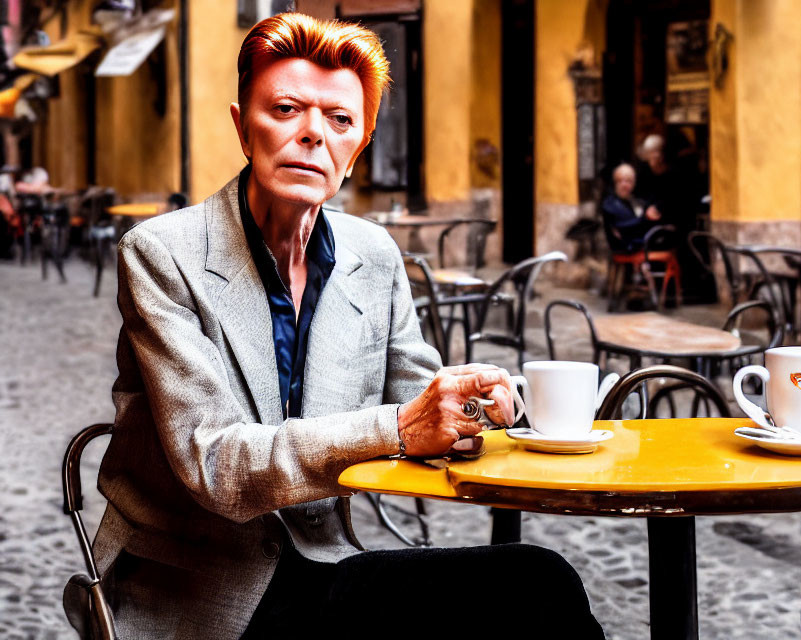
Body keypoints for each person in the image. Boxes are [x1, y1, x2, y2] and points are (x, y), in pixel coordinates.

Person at [74, 14, 603, 639]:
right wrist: (405, 427)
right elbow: (217, 466)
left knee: (538, 583)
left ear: (360, 146)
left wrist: (476, 407)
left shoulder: (372, 255)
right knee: (529, 591)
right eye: (287, 109)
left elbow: (417, 393)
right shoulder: (163, 254)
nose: (312, 135)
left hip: (321, 564)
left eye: (340, 120)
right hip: (192, 588)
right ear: (243, 127)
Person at [600, 163, 662, 253]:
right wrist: (645, 218)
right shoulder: (610, 204)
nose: (624, 185)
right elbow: (623, 228)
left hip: (640, 245)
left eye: (628, 181)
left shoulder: (635, 201)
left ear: (634, 183)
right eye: (620, 181)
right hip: (626, 248)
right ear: (615, 183)